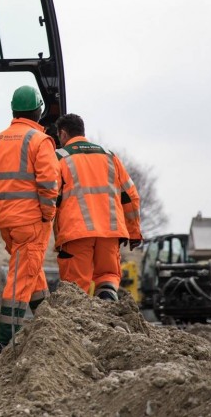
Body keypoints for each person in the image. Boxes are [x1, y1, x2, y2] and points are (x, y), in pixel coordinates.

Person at [0, 85, 59, 351]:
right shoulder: (40, 141)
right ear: (38, 111)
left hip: (6, 222)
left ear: (14, 110)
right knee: (20, 279)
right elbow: (49, 183)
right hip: (32, 222)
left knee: (30, 272)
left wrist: (7, 203)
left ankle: (52, 325)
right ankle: (3, 340)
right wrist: (47, 215)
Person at [53, 113, 143, 300]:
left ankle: (77, 326)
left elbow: (51, 196)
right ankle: (106, 319)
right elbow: (131, 196)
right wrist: (133, 232)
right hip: (110, 233)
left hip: (76, 233)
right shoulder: (110, 157)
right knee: (108, 277)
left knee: (76, 288)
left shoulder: (59, 158)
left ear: (62, 134)